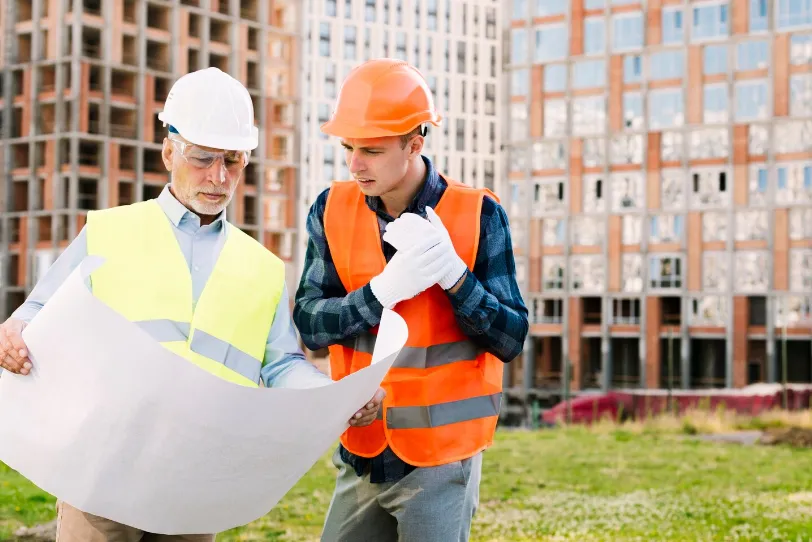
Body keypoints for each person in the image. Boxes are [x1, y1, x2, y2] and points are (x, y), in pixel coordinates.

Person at [0, 67, 383, 542]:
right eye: (203, 159)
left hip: (195, 487)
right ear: (169, 152)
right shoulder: (110, 231)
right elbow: (34, 314)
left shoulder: (262, 268)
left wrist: (335, 398)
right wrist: (12, 332)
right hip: (100, 475)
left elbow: (281, 366)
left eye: (234, 161)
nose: (219, 178)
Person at [293, 58, 529, 542]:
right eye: (349, 148)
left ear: (415, 143)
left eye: (372, 151)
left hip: (442, 460)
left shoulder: (479, 214)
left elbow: (511, 337)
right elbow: (310, 323)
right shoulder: (330, 208)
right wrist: (378, 295)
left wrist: (455, 278)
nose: (355, 164)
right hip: (360, 452)